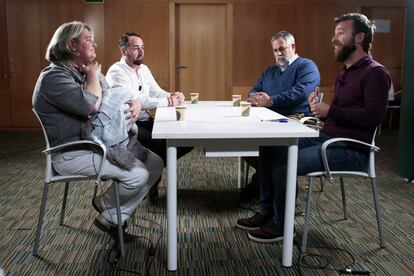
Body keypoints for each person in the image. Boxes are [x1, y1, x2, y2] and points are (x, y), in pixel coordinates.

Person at [236, 13, 391, 242]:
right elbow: (336, 116)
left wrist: (330, 112)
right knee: (270, 148)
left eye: (340, 33)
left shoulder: (375, 72)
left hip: (351, 149)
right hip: (327, 136)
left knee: (284, 162)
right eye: (335, 33)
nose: (334, 39)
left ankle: (281, 225)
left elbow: (373, 117)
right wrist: (321, 111)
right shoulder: (346, 74)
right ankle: (266, 213)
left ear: (359, 38)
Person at [32, 21, 164, 243]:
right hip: (73, 152)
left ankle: (107, 206)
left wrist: (134, 101)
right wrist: (94, 77)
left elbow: (113, 95)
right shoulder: (54, 78)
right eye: (88, 39)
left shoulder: (84, 71)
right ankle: (112, 217)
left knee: (155, 163)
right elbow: (90, 106)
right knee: (138, 175)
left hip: (99, 143)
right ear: (71, 45)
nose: (94, 44)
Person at [106, 32, 192, 200]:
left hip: (147, 121)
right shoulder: (116, 72)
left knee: (186, 141)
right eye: (135, 48)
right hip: (130, 126)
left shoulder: (143, 69)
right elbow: (136, 101)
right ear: (123, 51)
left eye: (142, 47)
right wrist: (169, 100)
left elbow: (156, 92)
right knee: (162, 148)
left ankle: (152, 179)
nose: (141, 51)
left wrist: (174, 96)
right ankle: (149, 181)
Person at [241, 31, 320, 200]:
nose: (278, 54)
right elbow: (254, 89)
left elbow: (299, 93)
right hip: (271, 120)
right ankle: (266, 184)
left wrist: (270, 101)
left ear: (293, 47)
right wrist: (254, 97)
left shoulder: (306, 66)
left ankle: (274, 192)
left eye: (282, 49)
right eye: (275, 50)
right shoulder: (270, 71)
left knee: (270, 149)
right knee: (245, 143)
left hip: (300, 121)